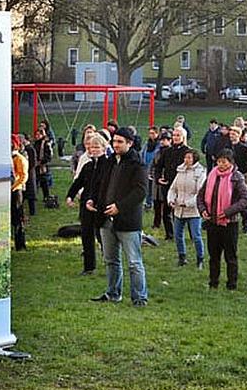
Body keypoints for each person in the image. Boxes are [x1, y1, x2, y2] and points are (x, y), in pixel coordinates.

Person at [90, 126, 149, 306]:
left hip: (128, 221)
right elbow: (101, 185)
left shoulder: (137, 164)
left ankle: (139, 297)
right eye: (114, 141)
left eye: (120, 142)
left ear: (129, 143)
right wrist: (94, 200)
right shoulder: (109, 162)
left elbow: (140, 192)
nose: (115, 145)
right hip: (106, 219)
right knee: (110, 260)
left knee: (134, 262)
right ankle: (113, 293)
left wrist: (119, 207)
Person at [197, 149, 247, 290]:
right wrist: (203, 210)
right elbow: (200, 196)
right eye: (219, 161)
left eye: (224, 162)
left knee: (230, 256)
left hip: (229, 223)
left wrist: (227, 212)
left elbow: (245, 199)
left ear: (230, 162)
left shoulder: (237, 177)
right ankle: (213, 283)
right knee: (213, 256)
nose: (221, 164)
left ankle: (231, 285)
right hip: (212, 222)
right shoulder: (212, 175)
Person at [66, 131, 110, 274]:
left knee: (102, 236)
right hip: (85, 204)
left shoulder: (108, 166)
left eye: (97, 147)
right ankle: (89, 267)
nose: (93, 150)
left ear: (104, 148)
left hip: (100, 206)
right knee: (86, 235)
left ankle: (110, 263)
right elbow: (78, 182)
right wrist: (70, 196)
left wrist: (95, 202)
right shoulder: (88, 166)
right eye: (91, 147)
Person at [168, 149, 207, 269]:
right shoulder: (180, 171)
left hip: (193, 211)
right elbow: (173, 188)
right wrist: (171, 199)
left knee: (196, 235)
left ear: (195, 159)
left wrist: (188, 203)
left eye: (189, 158)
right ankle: (182, 257)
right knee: (178, 235)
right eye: (185, 157)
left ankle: (200, 258)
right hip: (179, 210)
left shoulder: (200, 172)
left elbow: (200, 192)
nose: (186, 160)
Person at [157, 126, 190, 241]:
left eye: (178, 135)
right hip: (167, 184)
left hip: (182, 186)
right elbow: (158, 166)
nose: (175, 138)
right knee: (166, 211)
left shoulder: (187, 152)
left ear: (183, 137)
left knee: (182, 211)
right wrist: (158, 178)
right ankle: (169, 234)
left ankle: (185, 234)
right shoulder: (167, 151)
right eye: (174, 135)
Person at [228, 126, 247, 235]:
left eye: (234, 134)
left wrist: (242, 172)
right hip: (228, 176)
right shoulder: (227, 147)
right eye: (231, 134)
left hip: (240, 176)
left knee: (243, 200)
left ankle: (246, 225)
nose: (232, 136)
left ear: (239, 135)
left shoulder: (243, 147)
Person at [10, 136, 29, 251]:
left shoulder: (19, 158)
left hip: (16, 191)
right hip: (9, 191)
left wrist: (13, 187)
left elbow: (23, 176)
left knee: (18, 219)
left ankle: (20, 244)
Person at [152, 131, 172, 229]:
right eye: (161, 140)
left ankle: (169, 226)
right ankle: (156, 223)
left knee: (166, 205)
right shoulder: (158, 152)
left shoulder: (170, 152)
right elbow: (154, 164)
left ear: (169, 140)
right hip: (157, 180)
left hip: (166, 180)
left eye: (164, 140)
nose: (162, 142)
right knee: (156, 203)